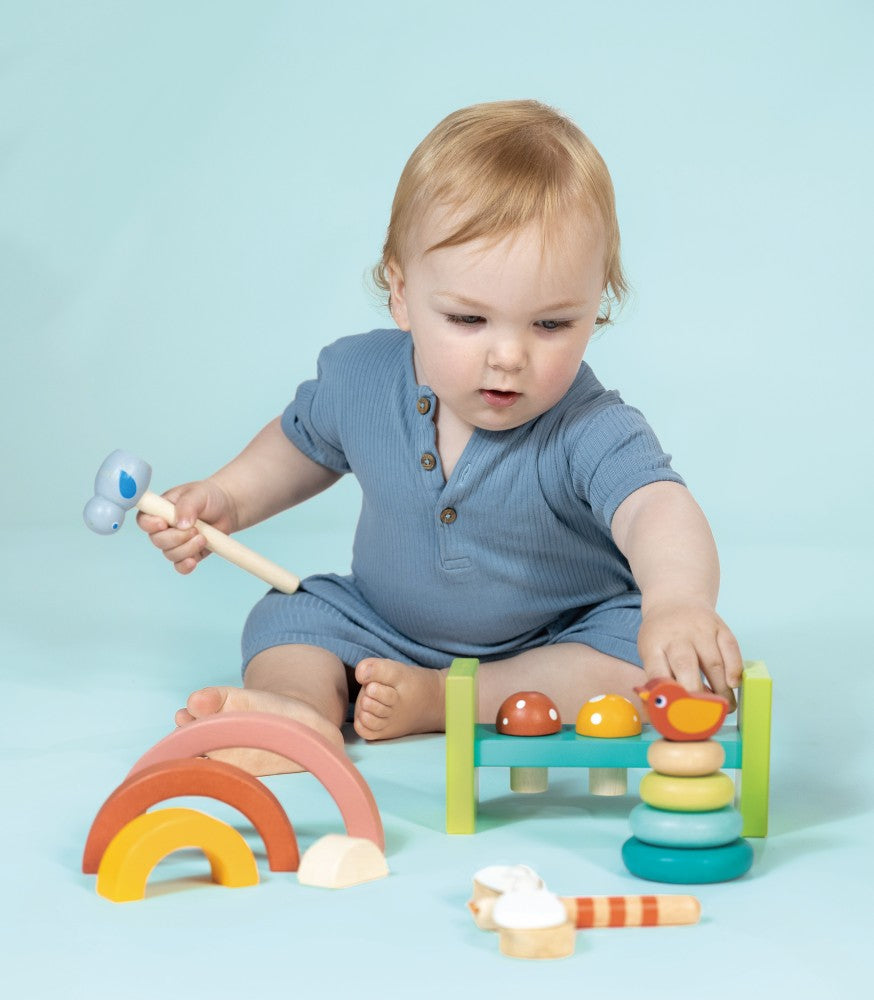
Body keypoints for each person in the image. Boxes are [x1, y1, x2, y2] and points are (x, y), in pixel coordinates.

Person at [138, 100, 743, 776]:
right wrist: (227, 496)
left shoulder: (590, 425)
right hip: (384, 625)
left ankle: (447, 701)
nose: (509, 356)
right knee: (290, 616)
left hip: (551, 639)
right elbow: (299, 443)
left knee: (632, 656)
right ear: (401, 292)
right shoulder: (361, 377)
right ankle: (298, 714)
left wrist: (678, 603)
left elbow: (656, 508)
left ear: (596, 302)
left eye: (551, 325)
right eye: (468, 318)